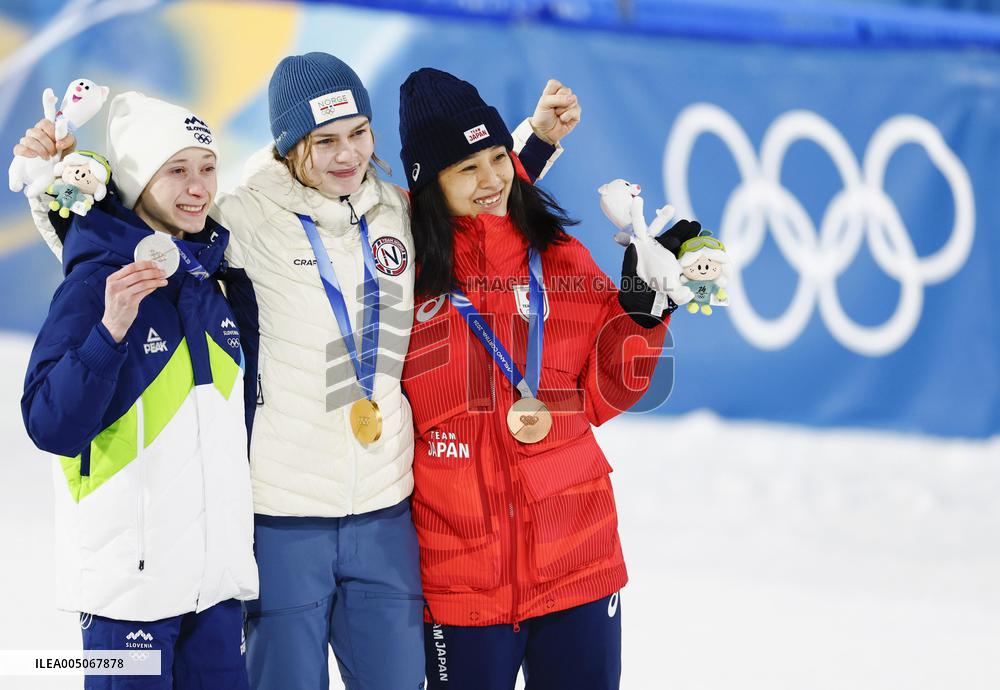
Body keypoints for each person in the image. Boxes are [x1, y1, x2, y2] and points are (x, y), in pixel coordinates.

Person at [16, 54, 576, 690]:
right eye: (324, 141)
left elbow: (472, 195)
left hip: (384, 509)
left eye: (358, 133)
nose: (347, 155)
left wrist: (537, 142)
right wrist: (57, 181)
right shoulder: (241, 217)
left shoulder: (397, 213)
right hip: (282, 516)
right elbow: (138, 233)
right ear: (287, 147)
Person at [398, 68, 695, 690]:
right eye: (466, 169)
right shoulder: (401, 272)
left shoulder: (555, 255)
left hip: (577, 558)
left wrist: (641, 316)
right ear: (427, 185)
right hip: (458, 580)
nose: (491, 181)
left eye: (497, 159)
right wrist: (533, 139)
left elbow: (608, 391)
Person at [19, 93, 258, 689]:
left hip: (215, 594)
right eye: (175, 170)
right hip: (126, 600)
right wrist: (109, 332)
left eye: (207, 168)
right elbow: (49, 424)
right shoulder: (97, 281)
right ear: (136, 179)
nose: (198, 187)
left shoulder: (216, 283)